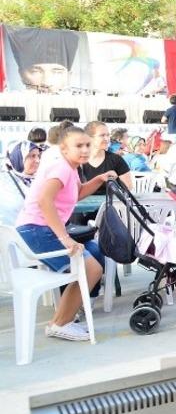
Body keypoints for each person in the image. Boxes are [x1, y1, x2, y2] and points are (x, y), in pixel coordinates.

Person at [16, 126, 110, 342]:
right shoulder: (62, 168)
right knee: (91, 269)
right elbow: (44, 201)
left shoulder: (70, 168)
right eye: (79, 146)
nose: (85, 150)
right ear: (64, 149)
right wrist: (64, 238)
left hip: (38, 229)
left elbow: (77, 193)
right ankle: (60, 324)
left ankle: (60, 322)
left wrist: (99, 179)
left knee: (90, 267)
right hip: (36, 230)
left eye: (87, 145)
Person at [80, 121, 132, 194]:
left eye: (108, 135)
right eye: (102, 135)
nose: (107, 139)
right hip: (84, 201)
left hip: (110, 201)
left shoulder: (116, 160)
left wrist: (117, 180)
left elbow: (128, 187)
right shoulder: (78, 161)